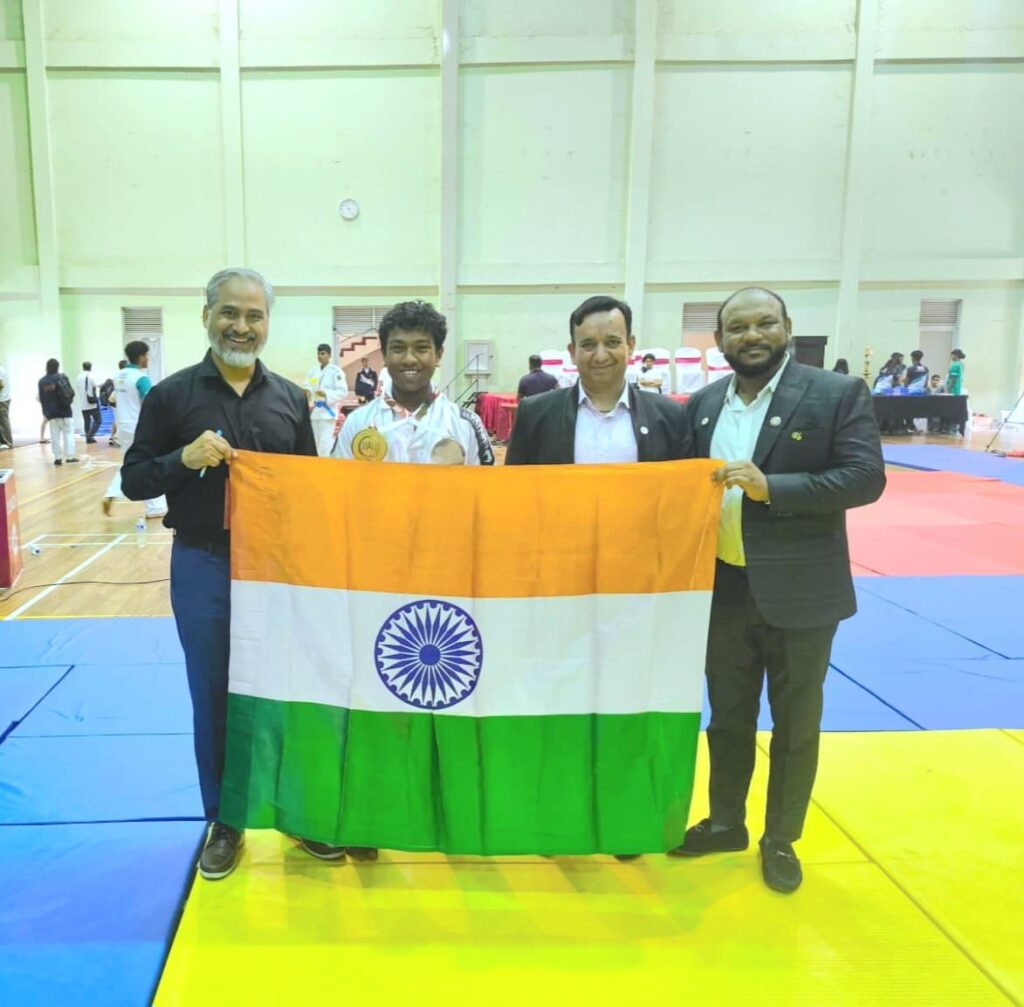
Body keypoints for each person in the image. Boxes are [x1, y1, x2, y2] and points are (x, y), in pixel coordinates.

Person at [122, 268, 342, 879]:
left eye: (254, 316)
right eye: (229, 313)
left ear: (267, 324)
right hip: (204, 561)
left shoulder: (291, 399)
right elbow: (133, 479)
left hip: (277, 568)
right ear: (206, 317)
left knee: (286, 690)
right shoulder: (170, 397)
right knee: (213, 692)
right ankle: (225, 820)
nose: (241, 327)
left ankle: (294, 810)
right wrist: (181, 458)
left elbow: (306, 489)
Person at [669, 286, 885, 893]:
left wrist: (774, 489)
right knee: (727, 719)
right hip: (723, 588)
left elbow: (866, 477)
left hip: (802, 593)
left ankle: (781, 837)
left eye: (764, 323)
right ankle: (726, 823)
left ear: (787, 327)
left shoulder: (836, 393)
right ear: (719, 340)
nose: (752, 336)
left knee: (795, 723)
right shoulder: (703, 404)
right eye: (738, 328)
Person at [506, 296, 692, 466]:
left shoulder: (670, 416)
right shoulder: (534, 416)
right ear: (572, 352)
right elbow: (514, 486)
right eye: (588, 345)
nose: (601, 356)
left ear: (630, 346)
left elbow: (686, 486)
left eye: (612, 342)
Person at [333, 300, 494, 468]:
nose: (409, 359)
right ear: (384, 355)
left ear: (438, 355)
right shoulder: (356, 423)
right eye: (398, 349)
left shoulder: (466, 425)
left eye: (421, 348)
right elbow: (337, 481)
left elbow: (486, 483)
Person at [102, 343, 167, 518]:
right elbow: (151, 403)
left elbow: (114, 399)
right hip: (139, 426)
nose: (148, 359)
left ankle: (111, 493)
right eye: (146, 355)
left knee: (130, 463)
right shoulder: (141, 378)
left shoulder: (119, 376)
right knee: (149, 463)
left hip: (123, 426)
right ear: (141, 356)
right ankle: (154, 507)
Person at [303, 343, 348, 457]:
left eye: (323, 353)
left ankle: (324, 465)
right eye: (318, 354)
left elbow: (343, 392)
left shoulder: (335, 372)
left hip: (328, 413)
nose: (320, 356)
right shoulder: (313, 371)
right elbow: (308, 384)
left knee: (324, 445)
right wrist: (307, 391)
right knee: (314, 444)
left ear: (329, 355)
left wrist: (326, 395)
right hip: (315, 413)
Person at [37, 359, 77, 466]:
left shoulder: (42, 382)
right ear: (57, 367)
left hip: (51, 413)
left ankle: (57, 458)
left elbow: (41, 398)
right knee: (68, 434)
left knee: (54, 436)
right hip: (65, 411)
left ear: (46, 367)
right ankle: (70, 456)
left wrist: (46, 412)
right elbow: (71, 392)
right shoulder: (62, 377)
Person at [76, 362, 101, 444]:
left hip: (83, 404)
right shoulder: (91, 376)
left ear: (83, 367)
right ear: (90, 367)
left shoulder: (78, 377)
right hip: (92, 403)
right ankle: (89, 436)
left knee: (87, 421)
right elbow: (96, 385)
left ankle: (88, 439)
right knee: (98, 420)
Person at [0, 361, 11, 450]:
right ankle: (5, 442)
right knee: (3, 421)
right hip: (5, 398)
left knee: (4, 422)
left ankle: (8, 442)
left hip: (2, 399)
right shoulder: (2, 368)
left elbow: (1, 384)